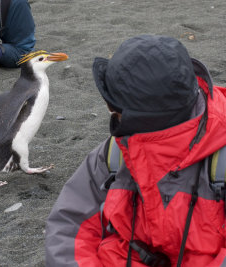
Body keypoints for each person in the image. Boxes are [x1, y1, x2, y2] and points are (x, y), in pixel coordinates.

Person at [45, 35, 226, 266]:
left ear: (144, 120)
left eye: (114, 105)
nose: (110, 110)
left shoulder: (220, 161)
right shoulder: (116, 153)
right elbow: (68, 225)